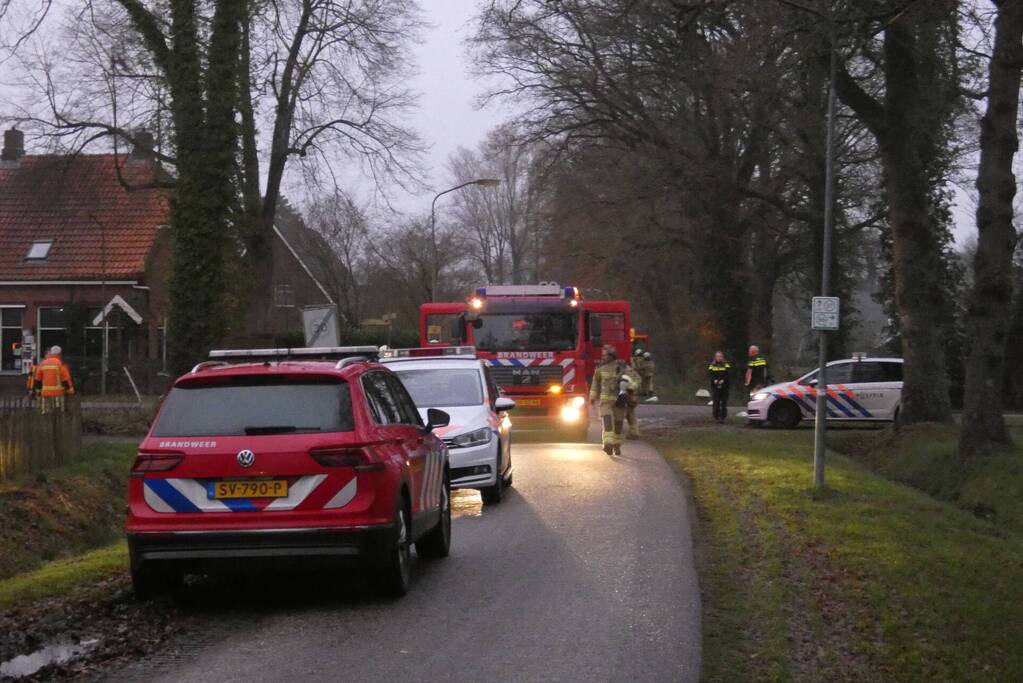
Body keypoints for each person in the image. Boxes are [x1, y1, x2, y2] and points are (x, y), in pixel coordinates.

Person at [590, 344, 633, 455]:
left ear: (612, 356)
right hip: (605, 401)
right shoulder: (600, 369)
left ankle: (616, 445)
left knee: (618, 424)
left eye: (606, 355)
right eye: (603, 355)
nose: (603, 357)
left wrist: (629, 386)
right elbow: (595, 383)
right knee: (607, 421)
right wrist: (592, 397)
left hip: (620, 400)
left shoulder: (622, 367)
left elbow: (635, 379)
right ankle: (607, 444)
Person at [32, 345, 75, 413]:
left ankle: (47, 423)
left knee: (46, 412)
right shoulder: (60, 363)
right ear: (60, 354)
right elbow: (65, 379)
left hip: (45, 393)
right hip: (58, 393)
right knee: (59, 413)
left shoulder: (43, 363)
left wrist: (38, 390)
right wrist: (69, 389)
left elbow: (38, 379)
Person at [708, 351, 731, 423]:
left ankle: (723, 417)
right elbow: (710, 374)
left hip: (724, 387)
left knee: (723, 403)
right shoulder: (712, 365)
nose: (718, 358)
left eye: (720, 356)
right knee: (716, 402)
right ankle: (716, 417)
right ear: (715, 357)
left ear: (722, 357)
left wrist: (723, 380)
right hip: (715, 387)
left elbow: (728, 374)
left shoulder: (726, 365)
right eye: (717, 356)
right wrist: (714, 380)